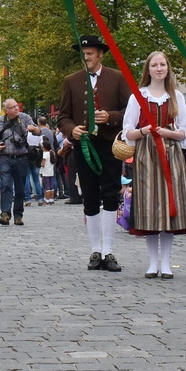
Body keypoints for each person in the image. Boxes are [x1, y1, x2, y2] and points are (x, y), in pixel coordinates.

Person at [56, 35, 134, 271]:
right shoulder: (71, 81)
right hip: (84, 146)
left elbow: (129, 111)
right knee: (89, 196)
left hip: (109, 144)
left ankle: (109, 250)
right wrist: (72, 130)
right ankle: (95, 250)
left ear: (100, 54)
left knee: (110, 194)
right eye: (83, 53)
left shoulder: (117, 78)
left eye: (90, 53)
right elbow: (63, 117)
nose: (86, 57)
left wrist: (111, 117)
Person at [120, 51, 186, 278]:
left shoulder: (176, 96)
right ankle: (152, 262)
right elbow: (127, 132)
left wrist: (169, 132)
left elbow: (185, 134)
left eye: (162, 65)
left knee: (169, 206)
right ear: (148, 69)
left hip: (171, 155)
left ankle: (167, 263)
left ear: (167, 69)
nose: (159, 68)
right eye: (155, 65)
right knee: (150, 207)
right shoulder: (138, 97)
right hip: (146, 155)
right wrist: (144, 130)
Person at [0, 98, 41, 226]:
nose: (17, 108)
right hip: (5, 158)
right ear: (6, 110)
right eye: (13, 107)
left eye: (17, 106)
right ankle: (5, 213)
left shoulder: (25, 118)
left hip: (22, 158)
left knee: (20, 188)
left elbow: (39, 132)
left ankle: (18, 215)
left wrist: (33, 129)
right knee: (5, 185)